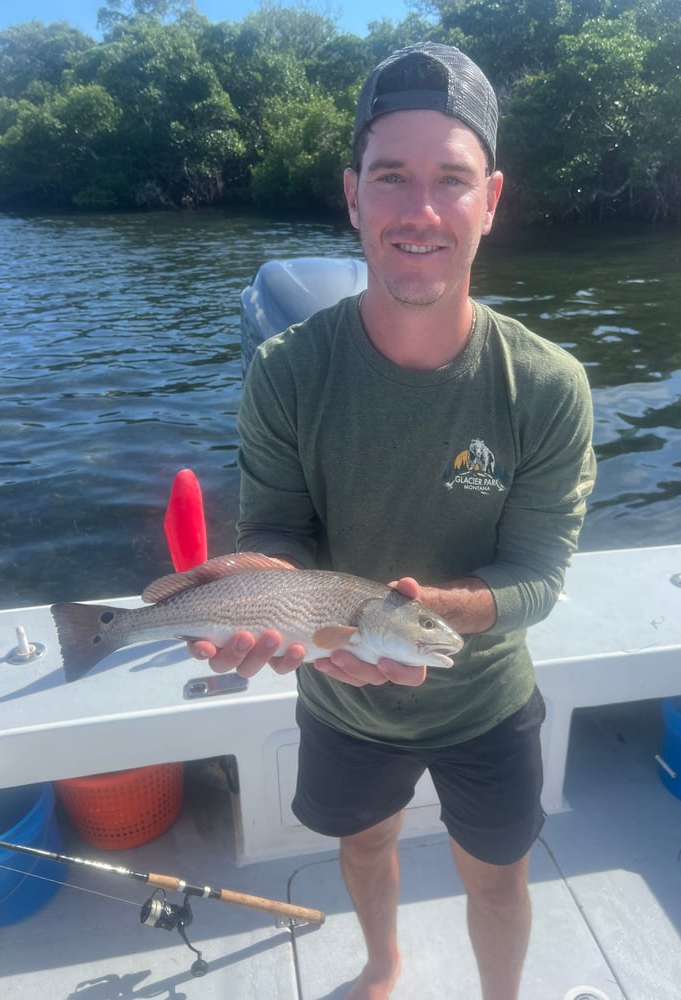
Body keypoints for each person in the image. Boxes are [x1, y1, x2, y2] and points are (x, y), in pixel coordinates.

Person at [191, 42, 596, 1000]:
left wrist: (431, 611)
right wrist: (271, 598)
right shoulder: (286, 370)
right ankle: (382, 966)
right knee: (364, 840)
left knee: (498, 871)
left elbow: (539, 576)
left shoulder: (548, 386)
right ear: (353, 195)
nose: (420, 210)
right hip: (339, 690)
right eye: (391, 177)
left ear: (490, 200)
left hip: (486, 699)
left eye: (450, 179)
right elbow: (280, 528)